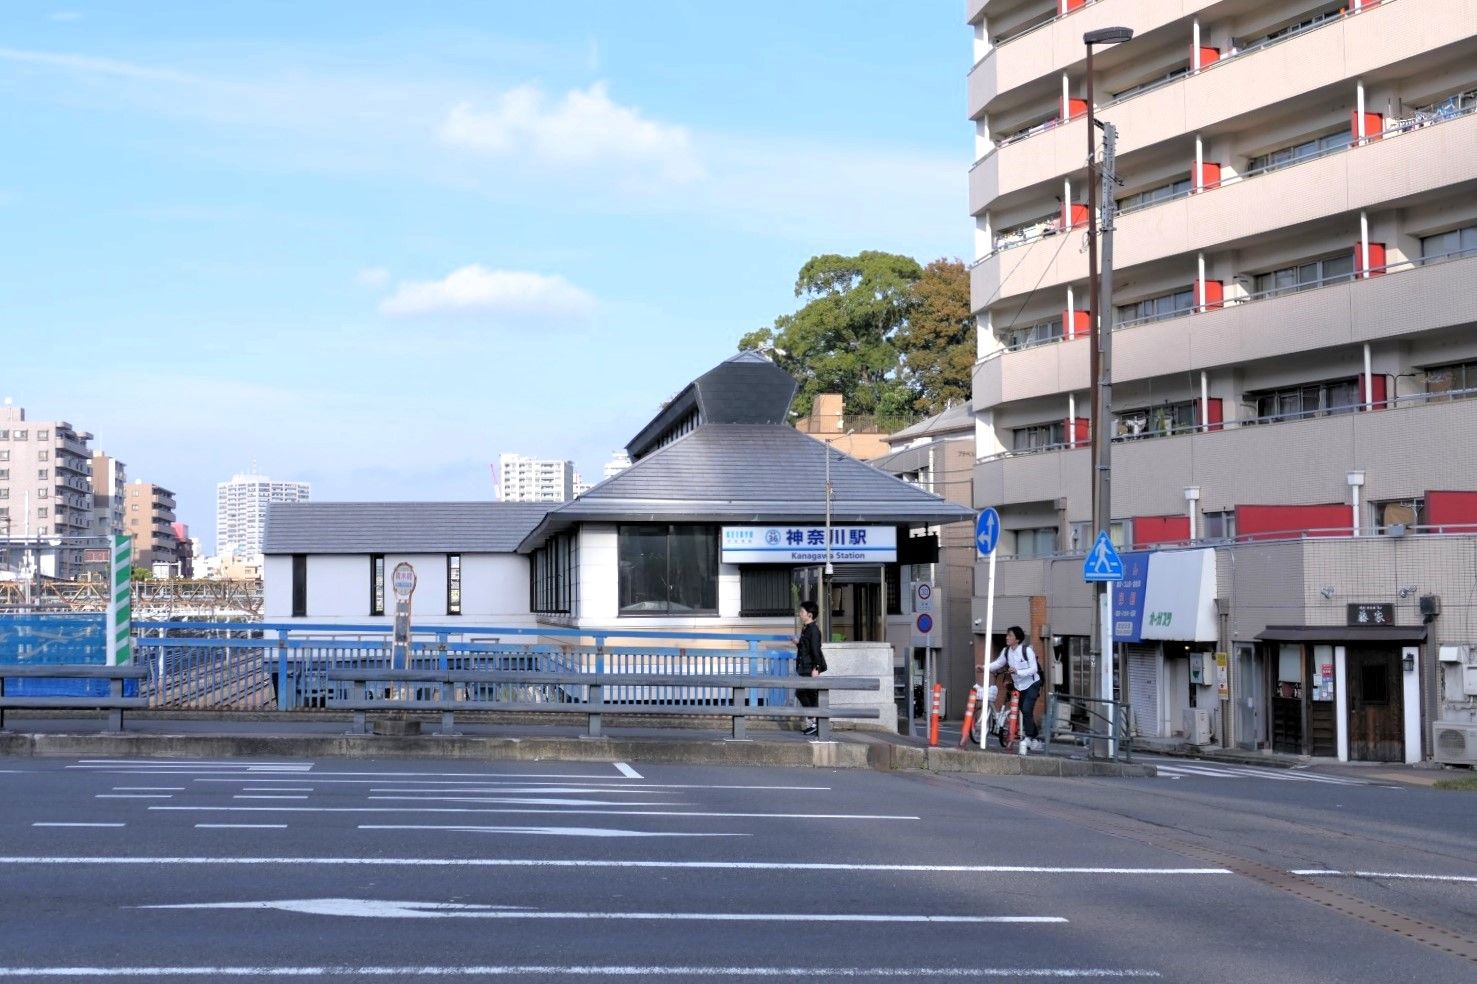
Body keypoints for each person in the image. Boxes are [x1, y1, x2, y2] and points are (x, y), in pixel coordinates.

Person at [987, 625, 1043, 751]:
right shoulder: (1006, 651)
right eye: (1007, 635)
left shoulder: (1026, 650)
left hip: (1032, 684)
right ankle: (1034, 738)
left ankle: (1029, 737)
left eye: (1010, 635)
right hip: (1018, 686)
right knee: (1024, 710)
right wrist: (984, 668)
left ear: (1017, 639)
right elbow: (998, 663)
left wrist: (1018, 671)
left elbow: (1034, 669)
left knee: (1027, 709)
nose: (1007, 637)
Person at [794, 600, 827, 736]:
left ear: (810, 614)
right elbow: (805, 648)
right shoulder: (806, 628)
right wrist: (797, 643)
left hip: (810, 668)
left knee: (805, 693)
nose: (800, 614)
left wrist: (816, 668)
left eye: (802, 612)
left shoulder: (813, 630)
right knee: (805, 693)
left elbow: (816, 650)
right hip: (804, 666)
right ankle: (814, 722)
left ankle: (814, 722)